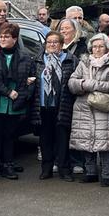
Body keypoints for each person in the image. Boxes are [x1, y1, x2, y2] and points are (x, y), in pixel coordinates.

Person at [0, 22, 38, 180]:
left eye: (6, 36)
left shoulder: (26, 57)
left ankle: (8, 165)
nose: (2, 39)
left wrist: (22, 96)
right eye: (0, 36)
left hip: (16, 103)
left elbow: (31, 80)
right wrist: (8, 92)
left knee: (9, 136)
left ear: (15, 39)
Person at [68, 34, 109, 186]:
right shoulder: (83, 63)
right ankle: (90, 172)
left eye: (101, 46)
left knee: (105, 144)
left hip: (105, 107)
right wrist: (86, 84)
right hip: (84, 107)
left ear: (107, 48)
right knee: (86, 140)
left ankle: (107, 175)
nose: (97, 49)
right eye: (95, 46)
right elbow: (72, 82)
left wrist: (87, 84)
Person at [35, 32, 77, 181]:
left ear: (61, 44)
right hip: (44, 106)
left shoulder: (70, 60)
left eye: (55, 42)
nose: (52, 45)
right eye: (49, 42)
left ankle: (64, 169)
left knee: (62, 139)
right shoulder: (39, 60)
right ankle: (46, 169)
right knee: (45, 139)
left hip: (63, 105)